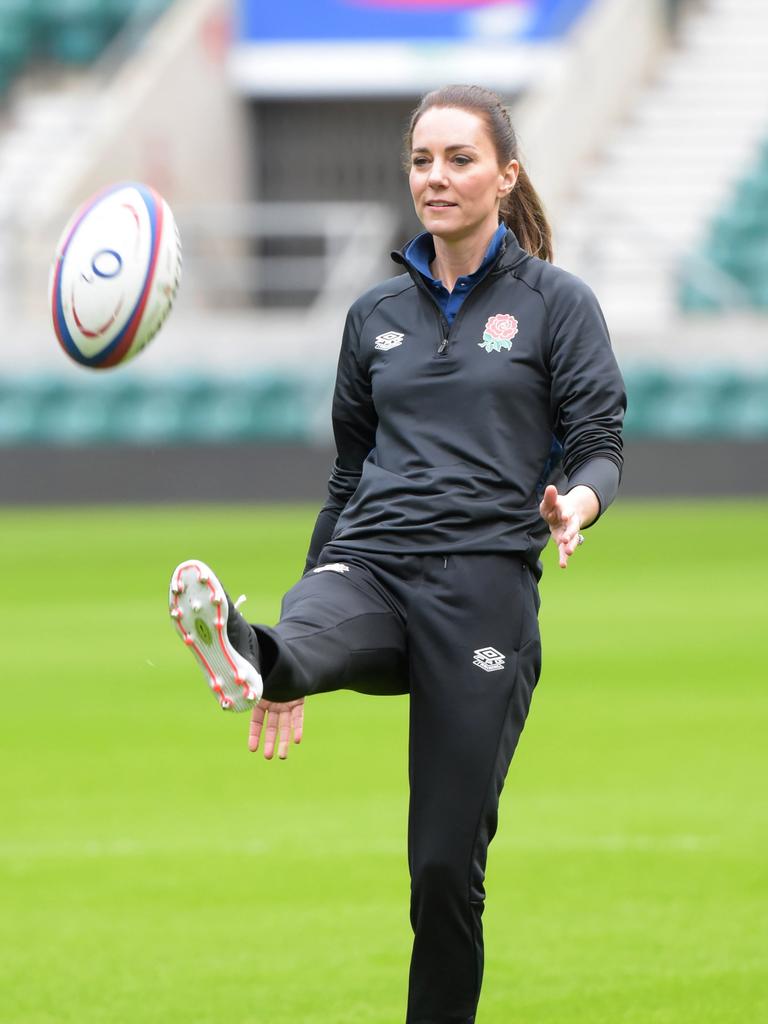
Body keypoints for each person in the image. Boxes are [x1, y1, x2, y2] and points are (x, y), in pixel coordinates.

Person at [169, 84, 626, 1024]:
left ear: (505, 175)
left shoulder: (556, 305)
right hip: (372, 560)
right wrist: (301, 626)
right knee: (304, 633)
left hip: (483, 589)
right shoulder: (373, 313)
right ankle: (257, 653)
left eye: (459, 159)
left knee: (443, 869)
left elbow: (600, 444)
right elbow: (346, 479)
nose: (436, 177)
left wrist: (574, 506)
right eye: (422, 159)